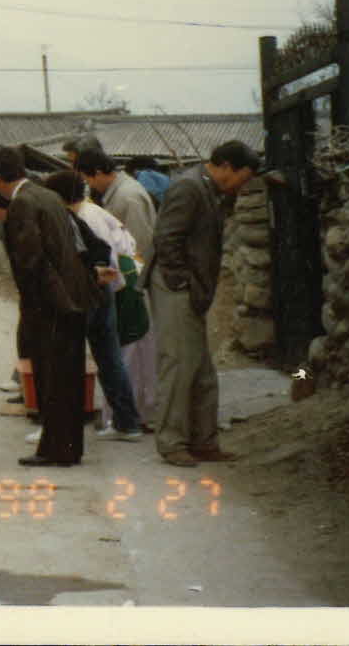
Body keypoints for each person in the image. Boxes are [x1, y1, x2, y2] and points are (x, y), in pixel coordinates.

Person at [0, 146, 99, 468]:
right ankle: (69, 447)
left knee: (52, 379)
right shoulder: (47, 195)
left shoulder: (23, 203)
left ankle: (54, 450)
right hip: (73, 296)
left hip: (50, 303)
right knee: (69, 377)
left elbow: (30, 260)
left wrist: (33, 306)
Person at [149, 140, 261, 468]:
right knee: (179, 366)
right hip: (176, 289)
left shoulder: (207, 189)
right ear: (226, 166)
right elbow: (166, 238)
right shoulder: (189, 187)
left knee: (200, 370)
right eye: (243, 175)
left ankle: (203, 440)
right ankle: (172, 443)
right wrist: (181, 282)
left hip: (189, 289)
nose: (243, 183)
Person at [48, 170, 144, 442]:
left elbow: (100, 256)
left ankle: (64, 428)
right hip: (103, 292)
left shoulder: (82, 217)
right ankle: (128, 423)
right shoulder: (92, 212)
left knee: (75, 359)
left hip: (91, 292)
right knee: (109, 358)